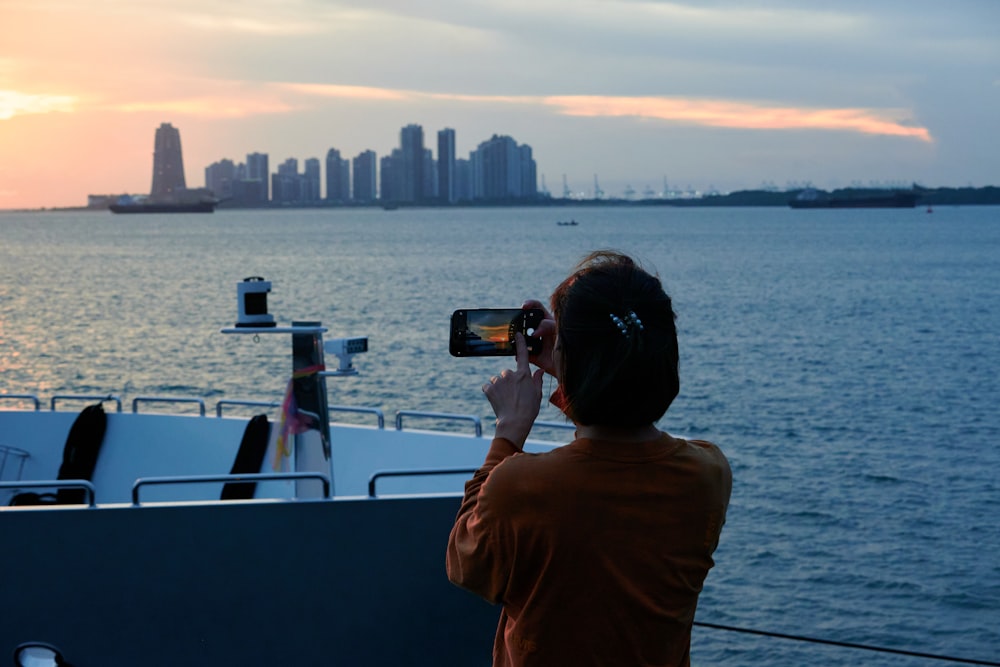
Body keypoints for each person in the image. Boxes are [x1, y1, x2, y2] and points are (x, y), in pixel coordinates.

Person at [446, 250, 732, 667]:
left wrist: (508, 433)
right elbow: (617, 439)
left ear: (568, 355)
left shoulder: (521, 487)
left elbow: (464, 562)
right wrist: (576, 366)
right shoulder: (708, 473)